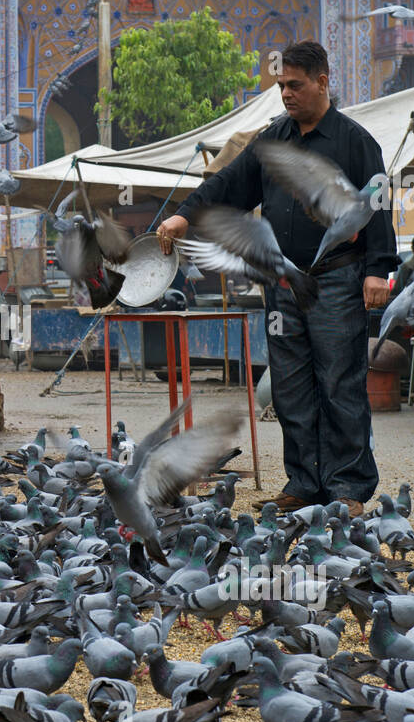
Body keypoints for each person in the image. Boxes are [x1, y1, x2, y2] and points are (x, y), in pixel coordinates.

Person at [155, 40, 398, 516]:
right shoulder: (272, 139)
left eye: (295, 85)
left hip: (337, 280)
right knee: (290, 385)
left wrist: (378, 270)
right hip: (284, 285)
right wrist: (184, 216)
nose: (285, 94)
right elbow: (227, 184)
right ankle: (304, 484)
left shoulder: (355, 142)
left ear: (323, 82)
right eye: (281, 85)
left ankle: (347, 488)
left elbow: (379, 205)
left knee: (339, 382)